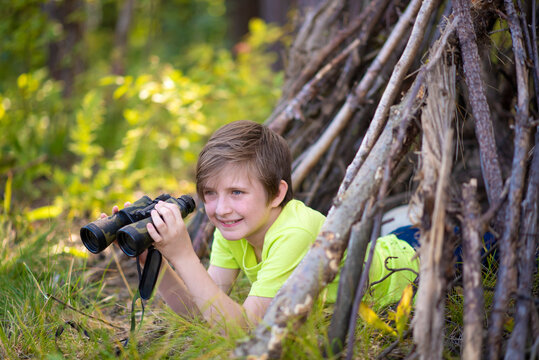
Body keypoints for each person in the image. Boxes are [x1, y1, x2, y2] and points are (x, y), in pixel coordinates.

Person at [106, 120, 418, 330]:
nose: (221, 208)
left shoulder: (295, 233)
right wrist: (158, 264)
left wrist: (185, 255)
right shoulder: (233, 230)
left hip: (412, 263)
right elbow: (205, 315)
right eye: (210, 194)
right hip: (385, 245)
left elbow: (247, 328)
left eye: (237, 193)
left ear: (277, 193)